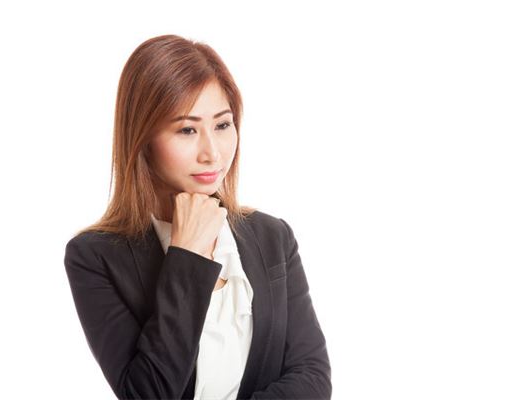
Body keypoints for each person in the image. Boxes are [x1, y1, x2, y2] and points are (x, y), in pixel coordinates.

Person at [63, 34, 331, 400]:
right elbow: (147, 394)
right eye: (187, 130)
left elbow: (312, 378)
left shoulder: (273, 236)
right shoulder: (95, 256)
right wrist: (187, 256)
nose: (212, 153)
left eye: (222, 125)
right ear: (142, 138)